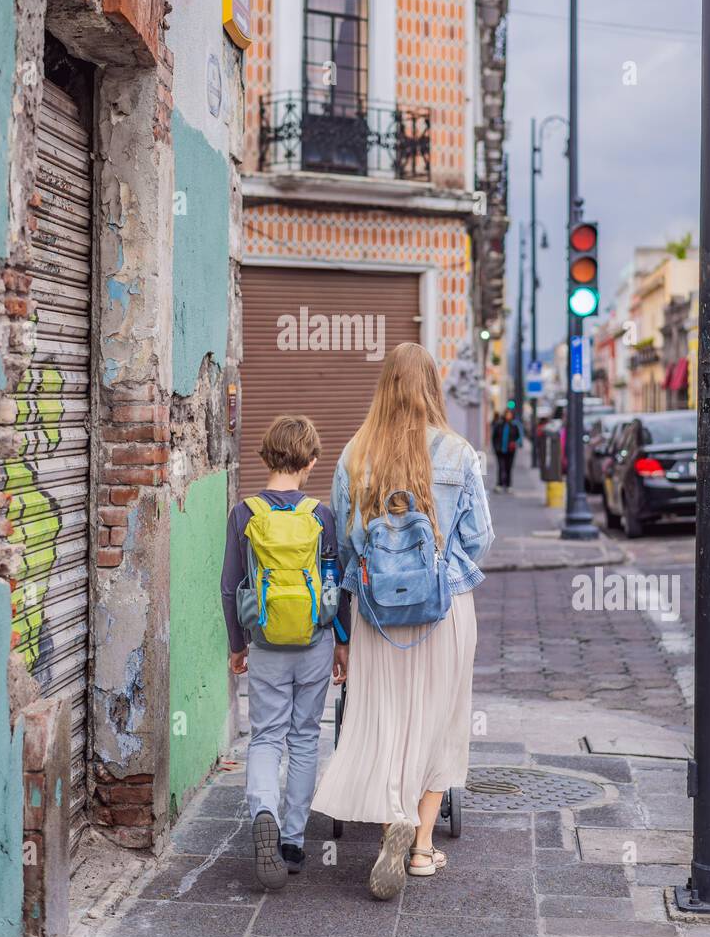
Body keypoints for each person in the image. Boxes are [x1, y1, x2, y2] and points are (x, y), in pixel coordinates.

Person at [312, 343, 494, 899]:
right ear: (433, 388)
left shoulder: (354, 455)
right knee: (441, 720)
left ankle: (390, 810)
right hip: (444, 609)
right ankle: (420, 845)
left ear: (384, 387)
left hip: (376, 614)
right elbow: (480, 539)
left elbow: (343, 548)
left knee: (383, 715)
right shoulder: (460, 453)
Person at [220, 415, 350, 890]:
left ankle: (263, 814)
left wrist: (238, 645)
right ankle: (293, 841)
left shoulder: (244, 512)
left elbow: (231, 587)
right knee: (303, 737)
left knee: (264, 736)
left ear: (265, 456)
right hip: (314, 642)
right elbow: (337, 584)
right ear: (311, 462)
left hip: (266, 643)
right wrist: (342, 641)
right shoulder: (321, 515)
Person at [491, 406, 524, 491]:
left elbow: (520, 437)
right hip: (500, 450)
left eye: (509, 414)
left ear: (512, 415)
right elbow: (494, 437)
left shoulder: (515, 425)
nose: (508, 416)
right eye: (507, 414)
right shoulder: (499, 424)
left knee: (508, 467)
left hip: (510, 451)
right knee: (501, 467)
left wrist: (515, 443)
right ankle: (500, 484)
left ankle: (509, 485)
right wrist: (495, 447)